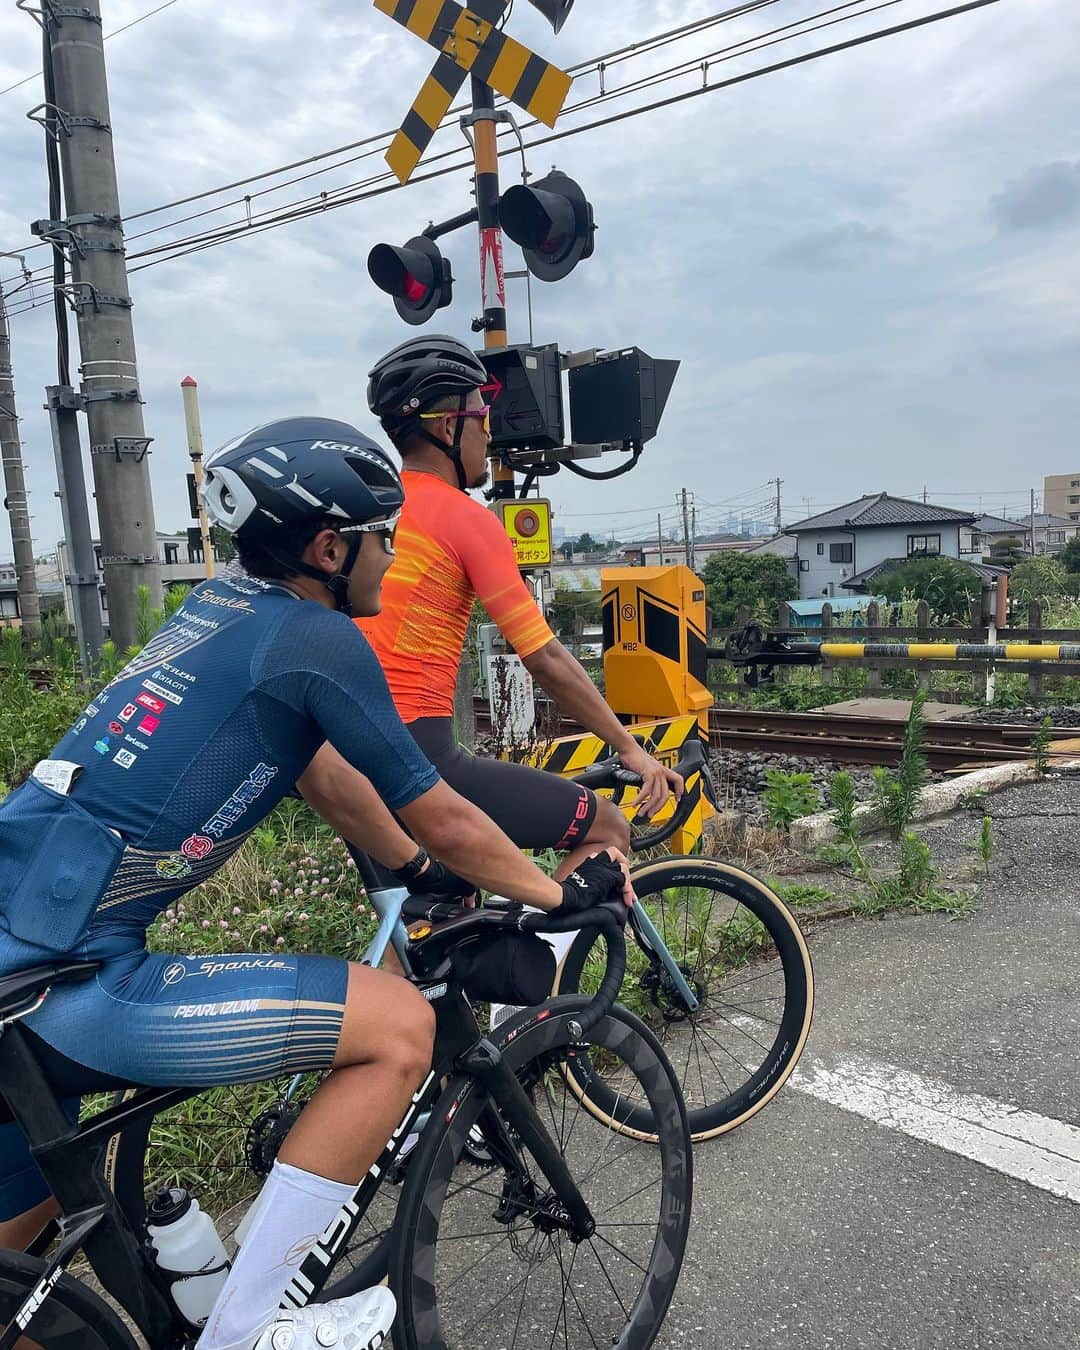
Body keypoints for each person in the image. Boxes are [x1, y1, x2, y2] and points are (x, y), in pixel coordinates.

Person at [0, 418, 630, 1350]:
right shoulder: (313, 639)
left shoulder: (223, 611)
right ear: (330, 549)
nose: (392, 556)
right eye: (385, 537)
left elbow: (324, 772)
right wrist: (555, 895)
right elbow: (444, 811)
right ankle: (249, 1332)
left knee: (29, 1240)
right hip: (68, 982)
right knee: (399, 1027)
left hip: (21, 951)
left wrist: (418, 878)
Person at [359, 336, 682, 990]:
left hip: (349, 766)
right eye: (483, 416)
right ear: (449, 426)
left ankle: (406, 1061)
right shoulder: (464, 519)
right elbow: (547, 658)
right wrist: (632, 749)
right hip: (420, 760)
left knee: (426, 939)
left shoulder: (369, 512)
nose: (490, 434)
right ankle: (543, 1017)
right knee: (607, 825)